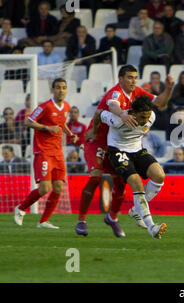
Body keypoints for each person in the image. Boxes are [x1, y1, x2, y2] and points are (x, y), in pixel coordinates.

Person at [75, 65, 174, 237]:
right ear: (120, 79)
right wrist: (121, 115)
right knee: (95, 177)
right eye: (129, 77)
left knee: (121, 184)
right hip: (99, 139)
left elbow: (160, 103)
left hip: (127, 144)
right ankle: (82, 221)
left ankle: (113, 218)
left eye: (135, 77)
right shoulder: (115, 94)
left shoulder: (139, 95)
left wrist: (169, 88)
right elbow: (109, 107)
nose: (133, 81)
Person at [97, 95, 168, 238]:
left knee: (159, 176)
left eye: (148, 117)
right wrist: (93, 131)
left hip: (137, 150)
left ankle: (136, 210)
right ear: (133, 113)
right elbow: (99, 114)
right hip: (118, 151)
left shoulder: (151, 116)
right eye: (142, 117)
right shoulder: (117, 120)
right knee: (136, 183)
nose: (146, 121)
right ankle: (151, 226)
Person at [13, 78, 78, 229]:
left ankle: (43, 221)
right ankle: (21, 208)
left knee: (58, 187)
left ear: (66, 90)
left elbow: (61, 124)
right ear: (52, 90)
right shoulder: (45, 106)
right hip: (43, 151)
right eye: (57, 87)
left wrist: (70, 134)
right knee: (44, 188)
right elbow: (28, 121)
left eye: (63, 87)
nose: (61, 90)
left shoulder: (67, 106)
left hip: (57, 152)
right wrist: (47, 128)